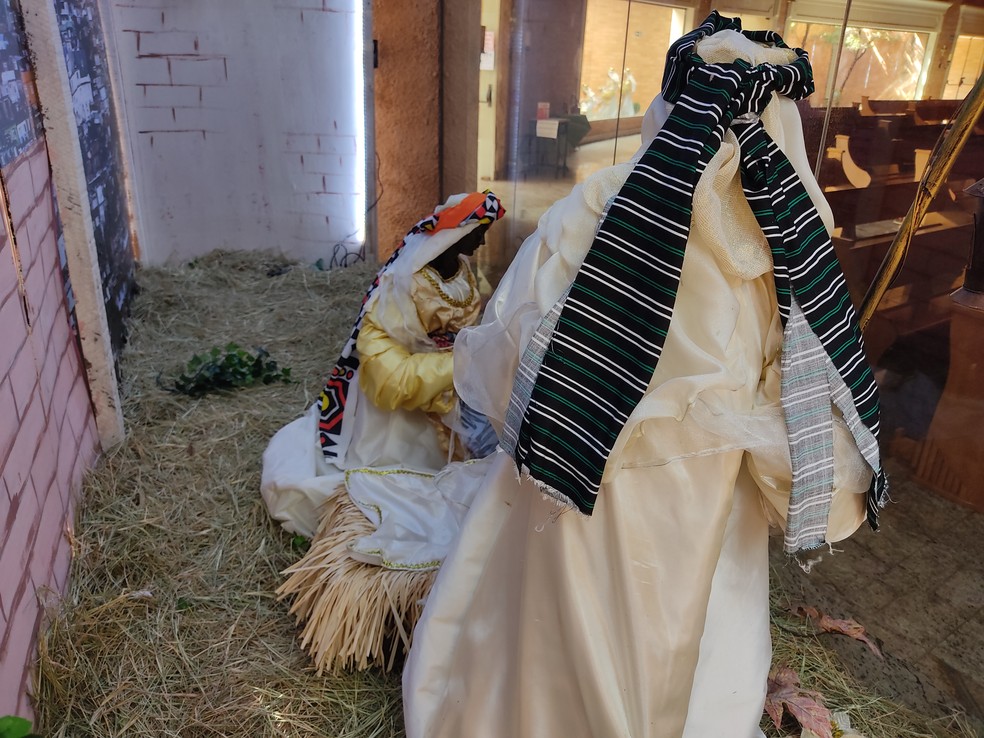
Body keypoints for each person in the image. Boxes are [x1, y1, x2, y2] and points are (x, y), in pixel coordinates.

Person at [402, 16, 886, 738]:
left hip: (560, 501)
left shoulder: (592, 214)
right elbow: (802, 455)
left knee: (528, 647)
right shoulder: (784, 261)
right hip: (703, 535)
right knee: (688, 666)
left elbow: (504, 373)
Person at [260, 190, 504, 559]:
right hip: (400, 412)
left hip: (447, 392)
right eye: (478, 231)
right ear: (458, 232)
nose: (483, 240)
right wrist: (452, 365)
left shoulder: (460, 271)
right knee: (399, 477)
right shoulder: (407, 282)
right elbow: (383, 365)